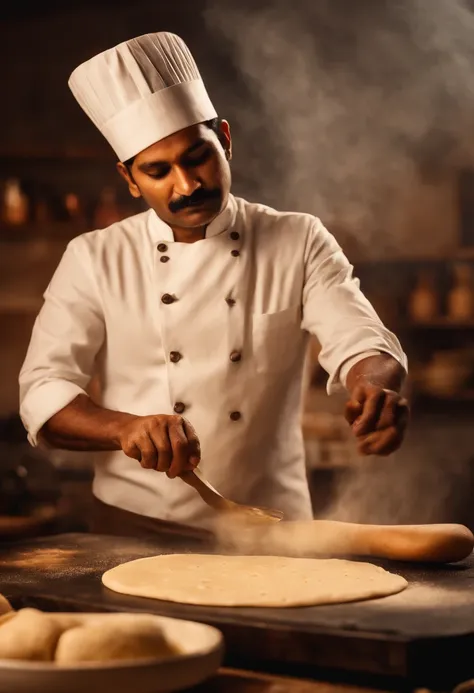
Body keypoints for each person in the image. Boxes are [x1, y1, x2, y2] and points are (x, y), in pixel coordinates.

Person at [19, 32, 409, 536]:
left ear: (224, 139)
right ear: (130, 179)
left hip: (273, 526)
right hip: (134, 524)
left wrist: (372, 387)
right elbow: (43, 391)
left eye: (197, 157)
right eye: (158, 172)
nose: (187, 185)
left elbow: (359, 340)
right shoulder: (95, 257)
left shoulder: (298, 238)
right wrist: (125, 427)